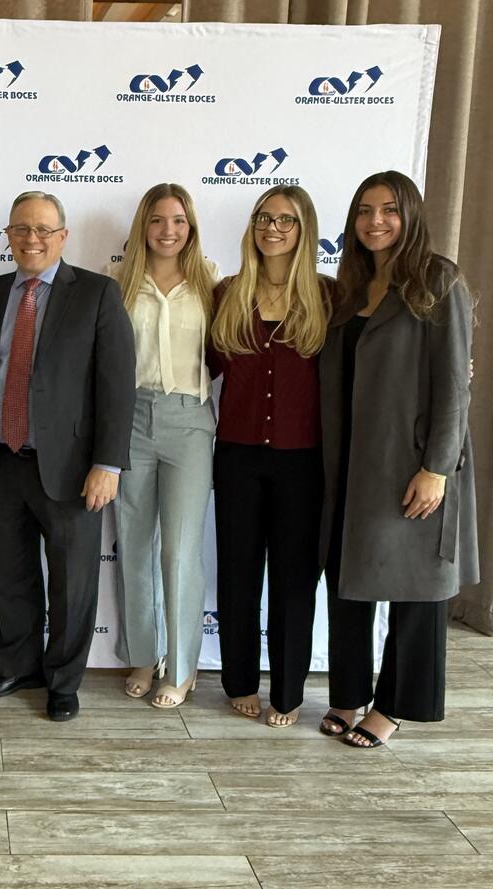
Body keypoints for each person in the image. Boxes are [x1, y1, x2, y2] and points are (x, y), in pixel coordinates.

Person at [0, 191, 136, 722]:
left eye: (43, 230)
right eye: (21, 229)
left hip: (72, 468)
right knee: (9, 576)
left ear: (62, 236)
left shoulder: (98, 293)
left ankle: (63, 681)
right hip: (1, 460)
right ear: (8, 236)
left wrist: (108, 464)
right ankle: (19, 667)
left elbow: (116, 385)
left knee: (72, 583)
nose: (31, 239)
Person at [318, 171, 478, 747]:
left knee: (417, 589)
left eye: (389, 209)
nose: (375, 221)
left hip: (411, 463)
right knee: (347, 578)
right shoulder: (349, 288)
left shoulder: (438, 280)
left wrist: (436, 468)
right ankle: (348, 693)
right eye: (365, 210)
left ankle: (394, 706)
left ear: (410, 215)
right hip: (349, 461)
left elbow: (454, 385)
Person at [209, 185, 332, 728]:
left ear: (304, 229)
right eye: (264, 217)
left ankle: (287, 690)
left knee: (293, 580)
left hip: (302, 461)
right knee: (237, 573)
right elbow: (196, 361)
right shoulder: (227, 293)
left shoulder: (328, 296)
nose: (272, 228)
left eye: (285, 219)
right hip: (236, 455)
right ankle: (239, 681)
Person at [111, 184, 220, 707]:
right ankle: (142, 654)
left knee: (179, 549)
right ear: (143, 226)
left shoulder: (211, 281)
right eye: (157, 220)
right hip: (131, 417)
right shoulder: (119, 281)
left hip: (189, 420)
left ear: (190, 226)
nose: (168, 230)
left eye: (178, 220)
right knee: (134, 544)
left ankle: (180, 668)